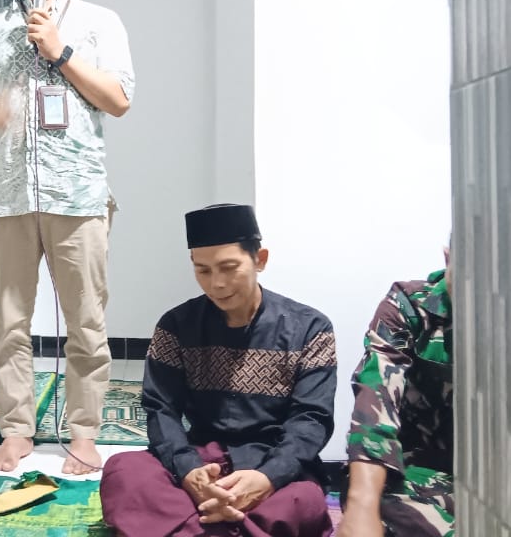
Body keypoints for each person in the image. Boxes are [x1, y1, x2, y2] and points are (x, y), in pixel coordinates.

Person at [0, 0, 135, 475]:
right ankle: (16, 430)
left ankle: (83, 433)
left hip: (78, 196)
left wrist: (60, 51)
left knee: (86, 323)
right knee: (8, 325)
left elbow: (119, 100)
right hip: (5, 198)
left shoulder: (100, 23)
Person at [100, 204, 336, 536]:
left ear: (260, 259)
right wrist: (188, 472)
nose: (217, 284)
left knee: (302, 501)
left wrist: (267, 478)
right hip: (201, 458)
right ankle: (231, 525)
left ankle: (192, 526)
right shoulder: (175, 326)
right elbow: (161, 409)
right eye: (203, 270)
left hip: (270, 461)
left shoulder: (310, 328)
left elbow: (311, 418)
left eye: (229, 267)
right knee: (124, 472)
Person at [337, 248, 453, 537]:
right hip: (422, 474)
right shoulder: (409, 306)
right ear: (449, 257)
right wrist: (361, 504)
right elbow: (376, 400)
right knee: (380, 505)